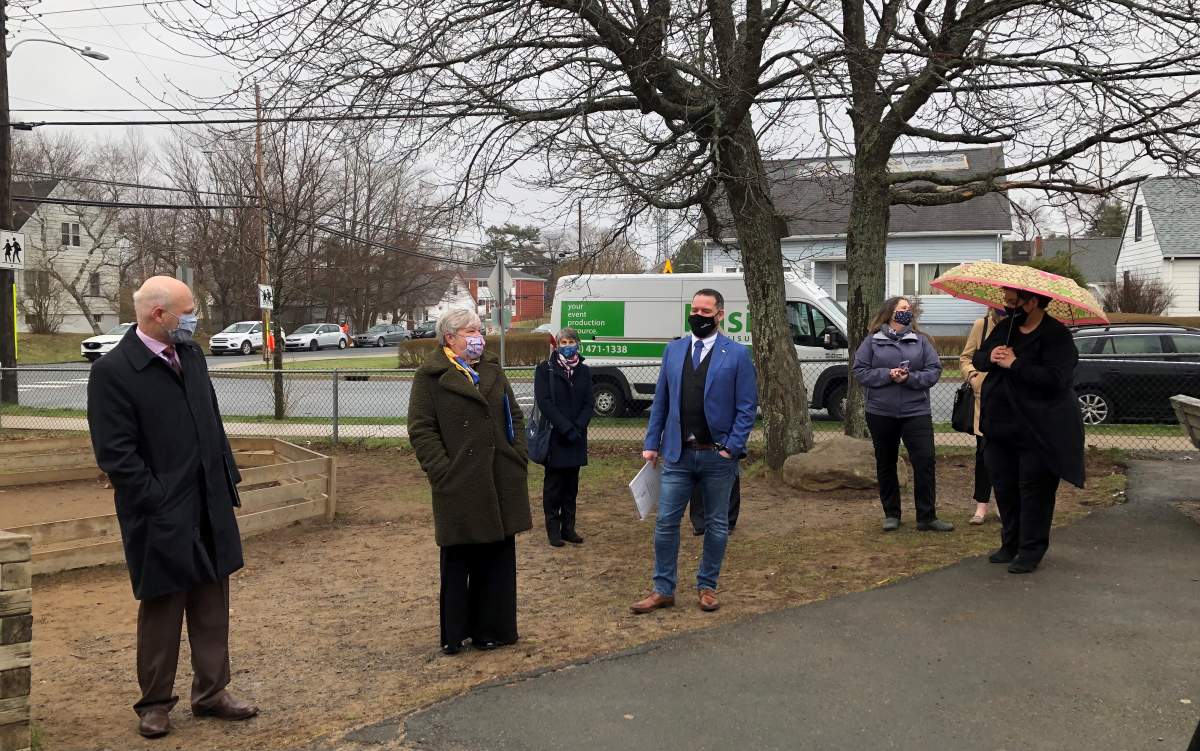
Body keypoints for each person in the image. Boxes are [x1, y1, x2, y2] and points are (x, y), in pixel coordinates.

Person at [87, 276, 258, 739]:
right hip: (158, 513)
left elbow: (211, 423)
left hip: (208, 502)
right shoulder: (114, 371)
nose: (194, 318)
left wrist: (226, 479)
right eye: (187, 311)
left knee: (211, 603)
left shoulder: (193, 357)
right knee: (163, 608)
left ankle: (212, 692)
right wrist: (156, 500)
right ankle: (155, 703)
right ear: (158, 315)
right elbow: (116, 455)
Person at [407, 308, 532, 654]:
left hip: (500, 478)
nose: (479, 337)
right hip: (459, 483)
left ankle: (495, 629)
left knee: (497, 559)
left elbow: (515, 416)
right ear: (450, 337)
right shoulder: (430, 377)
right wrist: (441, 471)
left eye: (480, 330)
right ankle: (457, 633)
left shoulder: (492, 369)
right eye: (471, 331)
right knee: (460, 560)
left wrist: (517, 453)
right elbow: (421, 429)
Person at [631, 288, 758, 615]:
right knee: (666, 523)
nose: (698, 316)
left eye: (706, 311)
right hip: (677, 455)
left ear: (719, 315)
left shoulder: (738, 355)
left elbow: (747, 408)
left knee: (716, 524)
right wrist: (650, 443)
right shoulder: (673, 351)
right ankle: (663, 589)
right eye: (695, 310)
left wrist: (732, 447)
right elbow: (661, 401)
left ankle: (707, 586)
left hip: (717, 456)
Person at [972, 287, 1085, 574]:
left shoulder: (1056, 335)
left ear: (1032, 302)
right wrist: (991, 356)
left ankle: (1031, 549)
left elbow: (1056, 379)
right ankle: (1010, 544)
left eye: (1013, 302)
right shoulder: (1005, 327)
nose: (1007, 307)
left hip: (1039, 429)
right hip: (1001, 426)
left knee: (1034, 491)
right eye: (1006, 302)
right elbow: (979, 357)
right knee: (1005, 487)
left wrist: (1016, 364)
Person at [852, 296, 954, 533]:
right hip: (880, 412)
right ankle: (891, 514)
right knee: (886, 463)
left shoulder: (921, 341)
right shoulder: (872, 341)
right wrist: (887, 375)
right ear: (889, 313)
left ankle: (927, 517)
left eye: (908, 309)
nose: (906, 312)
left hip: (915, 411)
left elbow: (933, 371)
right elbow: (860, 371)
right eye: (901, 309)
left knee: (925, 461)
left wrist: (909, 378)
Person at [533, 327, 594, 547]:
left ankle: (569, 528)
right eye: (564, 342)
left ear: (578, 344)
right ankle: (553, 530)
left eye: (571, 342)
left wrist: (577, 427)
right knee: (553, 486)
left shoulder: (584, 371)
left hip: (576, 437)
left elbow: (589, 402)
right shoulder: (545, 369)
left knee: (571, 486)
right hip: (556, 436)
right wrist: (565, 427)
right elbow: (544, 402)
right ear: (557, 345)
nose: (568, 346)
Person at [960, 308, 1003, 524]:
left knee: (1008, 457)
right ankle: (981, 506)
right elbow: (966, 358)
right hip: (984, 402)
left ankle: (1005, 504)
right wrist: (973, 377)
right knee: (984, 455)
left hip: (1012, 403)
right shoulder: (982, 325)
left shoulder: (1022, 328)